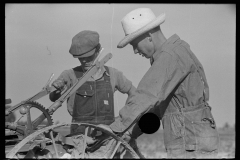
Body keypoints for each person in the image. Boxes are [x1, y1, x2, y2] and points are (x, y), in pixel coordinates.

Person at [105, 8, 220, 158]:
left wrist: (115, 129)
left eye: (134, 44)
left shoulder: (169, 56)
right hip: (195, 138)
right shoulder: (176, 52)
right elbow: (157, 108)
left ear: (148, 36)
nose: (135, 51)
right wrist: (130, 132)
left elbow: (145, 96)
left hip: (191, 142)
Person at [49, 30, 143, 158]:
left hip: (107, 140)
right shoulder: (69, 75)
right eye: (81, 58)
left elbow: (135, 94)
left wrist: (123, 119)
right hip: (79, 140)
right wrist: (55, 91)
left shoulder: (113, 75)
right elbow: (54, 98)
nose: (84, 61)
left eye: (89, 57)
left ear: (98, 50)